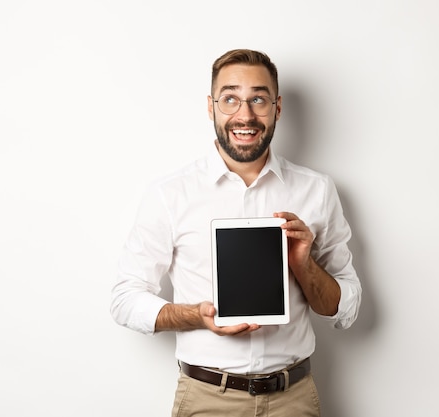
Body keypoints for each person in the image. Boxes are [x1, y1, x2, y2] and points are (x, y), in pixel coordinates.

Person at [111, 49, 362, 417]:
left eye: (258, 99)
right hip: (207, 398)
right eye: (230, 99)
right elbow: (124, 299)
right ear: (211, 107)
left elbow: (345, 310)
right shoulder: (170, 193)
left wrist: (304, 266)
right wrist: (196, 315)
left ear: (277, 108)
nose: (245, 115)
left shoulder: (317, 190)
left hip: (293, 399)